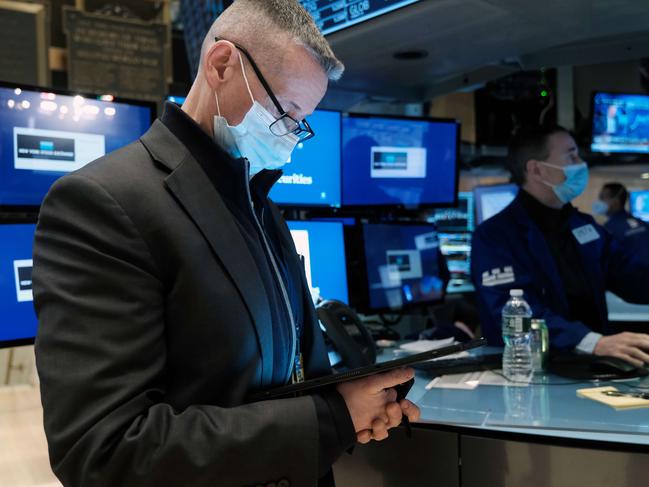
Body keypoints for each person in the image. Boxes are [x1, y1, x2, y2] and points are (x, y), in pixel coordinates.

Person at [32, 1, 420, 486]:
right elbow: (104, 450)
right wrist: (331, 419)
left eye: (303, 124)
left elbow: (278, 377)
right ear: (221, 65)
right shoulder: (104, 203)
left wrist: (350, 399)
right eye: (285, 113)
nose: (291, 140)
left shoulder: (258, 202)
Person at [471, 126, 649, 366]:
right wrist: (591, 342)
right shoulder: (495, 236)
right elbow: (515, 314)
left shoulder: (583, 226)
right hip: (529, 372)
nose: (580, 163)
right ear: (536, 169)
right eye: (571, 156)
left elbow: (632, 277)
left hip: (595, 366)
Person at [593, 182, 649, 264]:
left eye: (602, 198)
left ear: (616, 201)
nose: (599, 201)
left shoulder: (610, 229)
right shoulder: (642, 224)